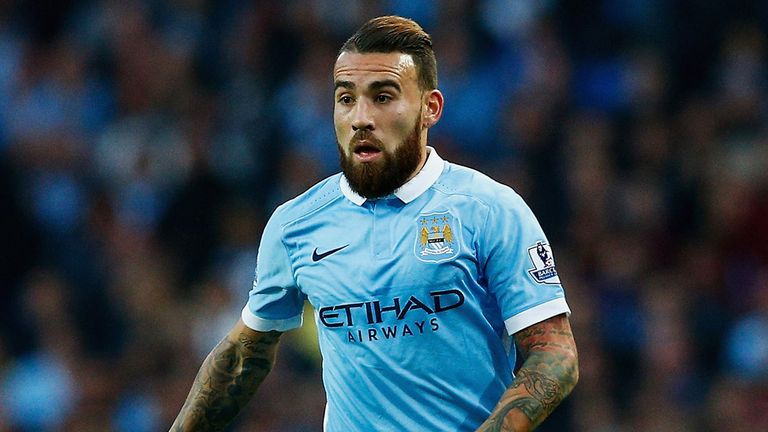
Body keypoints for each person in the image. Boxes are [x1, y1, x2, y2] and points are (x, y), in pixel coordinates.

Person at [170, 15, 578, 432]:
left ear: (429, 108)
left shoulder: (489, 210)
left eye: (382, 97)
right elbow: (243, 358)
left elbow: (555, 355)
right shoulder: (295, 224)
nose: (360, 117)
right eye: (346, 99)